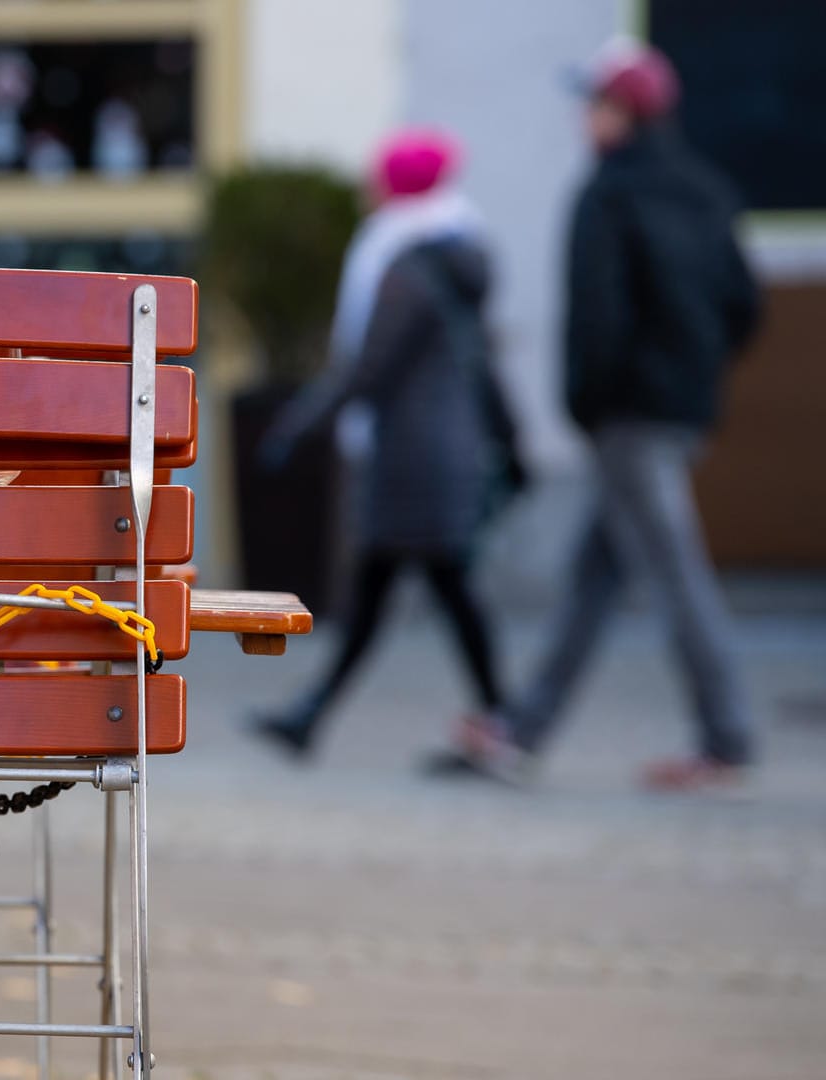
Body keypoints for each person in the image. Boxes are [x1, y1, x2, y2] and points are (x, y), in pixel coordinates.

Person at [446, 39, 761, 790]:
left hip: (629, 415)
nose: (585, 117)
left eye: (596, 102)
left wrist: (587, 403)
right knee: (597, 573)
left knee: (675, 570)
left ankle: (728, 735)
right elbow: (743, 306)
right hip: (682, 410)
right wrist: (695, 375)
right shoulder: (707, 190)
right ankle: (522, 729)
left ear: (626, 112)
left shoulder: (609, 192)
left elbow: (596, 315)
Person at [248, 128, 514, 761]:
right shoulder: (460, 255)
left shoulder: (404, 265)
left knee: (428, 588)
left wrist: (297, 426)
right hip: (444, 447)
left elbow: (367, 369)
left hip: (409, 457)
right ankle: (312, 715)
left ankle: (500, 716)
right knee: (403, 590)